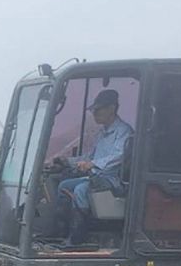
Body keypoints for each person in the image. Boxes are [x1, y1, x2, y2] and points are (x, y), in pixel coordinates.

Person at [52, 88, 134, 246]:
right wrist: (67, 161)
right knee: (63, 185)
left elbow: (119, 157)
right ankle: (61, 233)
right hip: (97, 177)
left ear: (111, 108)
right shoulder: (102, 133)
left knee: (81, 190)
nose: (94, 113)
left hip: (114, 180)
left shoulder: (124, 132)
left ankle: (77, 238)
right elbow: (90, 157)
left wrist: (93, 164)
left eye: (98, 109)